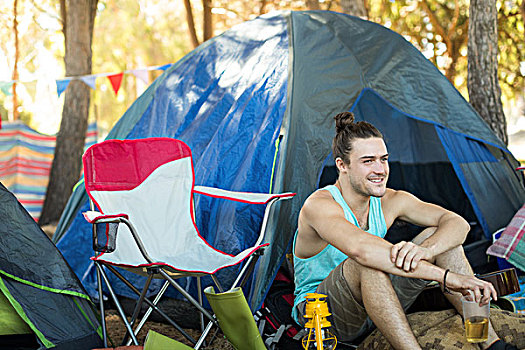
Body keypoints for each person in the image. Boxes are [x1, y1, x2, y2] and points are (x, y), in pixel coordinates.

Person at [292, 112, 517, 350]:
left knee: (439, 237)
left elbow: (456, 222)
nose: (380, 169)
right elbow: (362, 251)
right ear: (342, 165)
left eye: (384, 159)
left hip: (376, 300)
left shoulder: (391, 200)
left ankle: (492, 344)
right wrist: (448, 277)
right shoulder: (319, 205)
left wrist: (425, 250)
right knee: (366, 264)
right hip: (322, 315)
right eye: (368, 161)